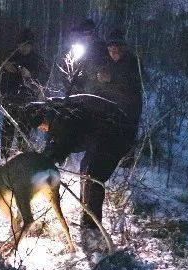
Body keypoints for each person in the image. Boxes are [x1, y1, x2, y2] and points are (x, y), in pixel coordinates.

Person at [42, 28, 142, 235]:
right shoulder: (103, 66)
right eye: (111, 46)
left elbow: (130, 90)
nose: (114, 49)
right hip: (102, 127)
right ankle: (87, 220)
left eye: (118, 46)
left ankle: (93, 227)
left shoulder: (133, 67)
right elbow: (89, 95)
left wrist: (110, 79)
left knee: (95, 171)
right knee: (86, 167)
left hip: (120, 130)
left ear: (124, 48)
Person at [0, 29, 48, 159]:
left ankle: (22, 163)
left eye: (26, 45)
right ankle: (5, 160)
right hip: (10, 102)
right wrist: (4, 64)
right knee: (7, 135)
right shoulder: (11, 55)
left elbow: (44, 78)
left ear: (31, 45)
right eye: (20, 44)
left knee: (24, 136)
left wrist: (31, 74)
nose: (22, 47)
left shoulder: (37, 60)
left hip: (28, 104)